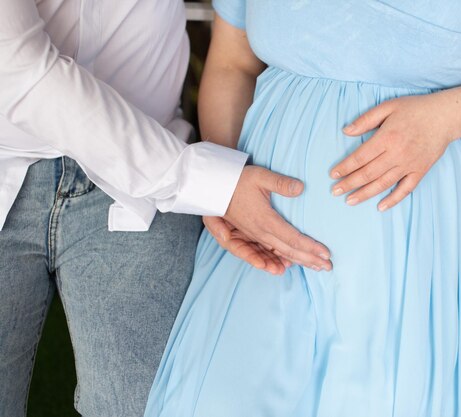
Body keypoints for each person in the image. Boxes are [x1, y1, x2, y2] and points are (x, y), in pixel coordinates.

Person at [144, 0, 461, 416]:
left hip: (417, 225)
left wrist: (449, 116)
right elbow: (232, 63)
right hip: (256, 225)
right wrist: (225, 185)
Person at [0, 0, 332, 416]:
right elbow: (17, 67)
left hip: (151, 169)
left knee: (152, 404)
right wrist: (208, 184)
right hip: (123, 166)